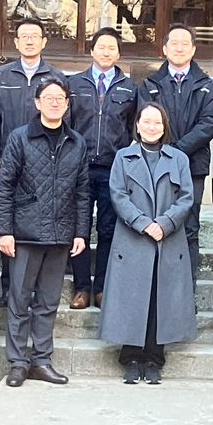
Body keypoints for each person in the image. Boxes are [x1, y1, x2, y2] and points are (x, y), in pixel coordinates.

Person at [0, 77, 89, 388]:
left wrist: (81, 233)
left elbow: (83, 192)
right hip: (25, 233)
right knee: (19, 300)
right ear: (37, 103)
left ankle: (42, 360)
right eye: (47, 97)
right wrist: (4, 230)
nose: (54, 102)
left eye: (59, 98)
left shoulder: (77, 142)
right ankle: (18, 362)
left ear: (67, 103)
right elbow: (5, 186)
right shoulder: (20, 139)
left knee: (48, 302)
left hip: (61, 235)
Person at [100, 102, 196, 384]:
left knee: (159, 298)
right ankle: (130, 357)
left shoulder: (178, 158)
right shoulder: (123, 157)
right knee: (132, 297)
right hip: (133, 237)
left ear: (164, 127)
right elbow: (117, 195)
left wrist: (164, 223)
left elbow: (187, 197)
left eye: (158, 123)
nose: (152, 127)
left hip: (168, 238)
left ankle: (154, 359)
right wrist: (143, 222)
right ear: (137, 125)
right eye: (147, 122)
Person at [0, 17, 66, 308]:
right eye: (24, 37)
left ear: (44, 42)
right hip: (10, 162)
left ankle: (35, 290)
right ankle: (9, 289)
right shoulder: (2, 75)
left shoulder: (55, 77)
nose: (30, 41)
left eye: (35, 36)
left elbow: (64, 122)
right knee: (9, 225)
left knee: (39, 228)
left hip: (46, 166)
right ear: (16, 43)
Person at [138, 23, 213, 286]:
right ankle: (155, 287)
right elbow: (144, 122)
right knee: (156, 221)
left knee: (189, 226)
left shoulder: (208, 85)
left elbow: (208, 124)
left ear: (194, 49)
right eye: (174, 43)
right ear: (164, 49)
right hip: (153, 164)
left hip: (192, 165)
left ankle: (186, 289)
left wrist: (176, 152)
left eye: (186, 43)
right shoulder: (150, 84)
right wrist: (163, 152)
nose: (180, 47)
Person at [68, 27, 137, 309]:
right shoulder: (73, 84)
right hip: (80, 167)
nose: (106, 52)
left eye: (112, 48)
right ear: (92, 50)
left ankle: (102, 287)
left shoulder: (129, 88)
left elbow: (134, 128)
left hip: (113, 167)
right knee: (79, 228)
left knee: (109, 228)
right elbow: (66, 125)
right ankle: (81, 288)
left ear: (118, 53)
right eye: (101, 47)